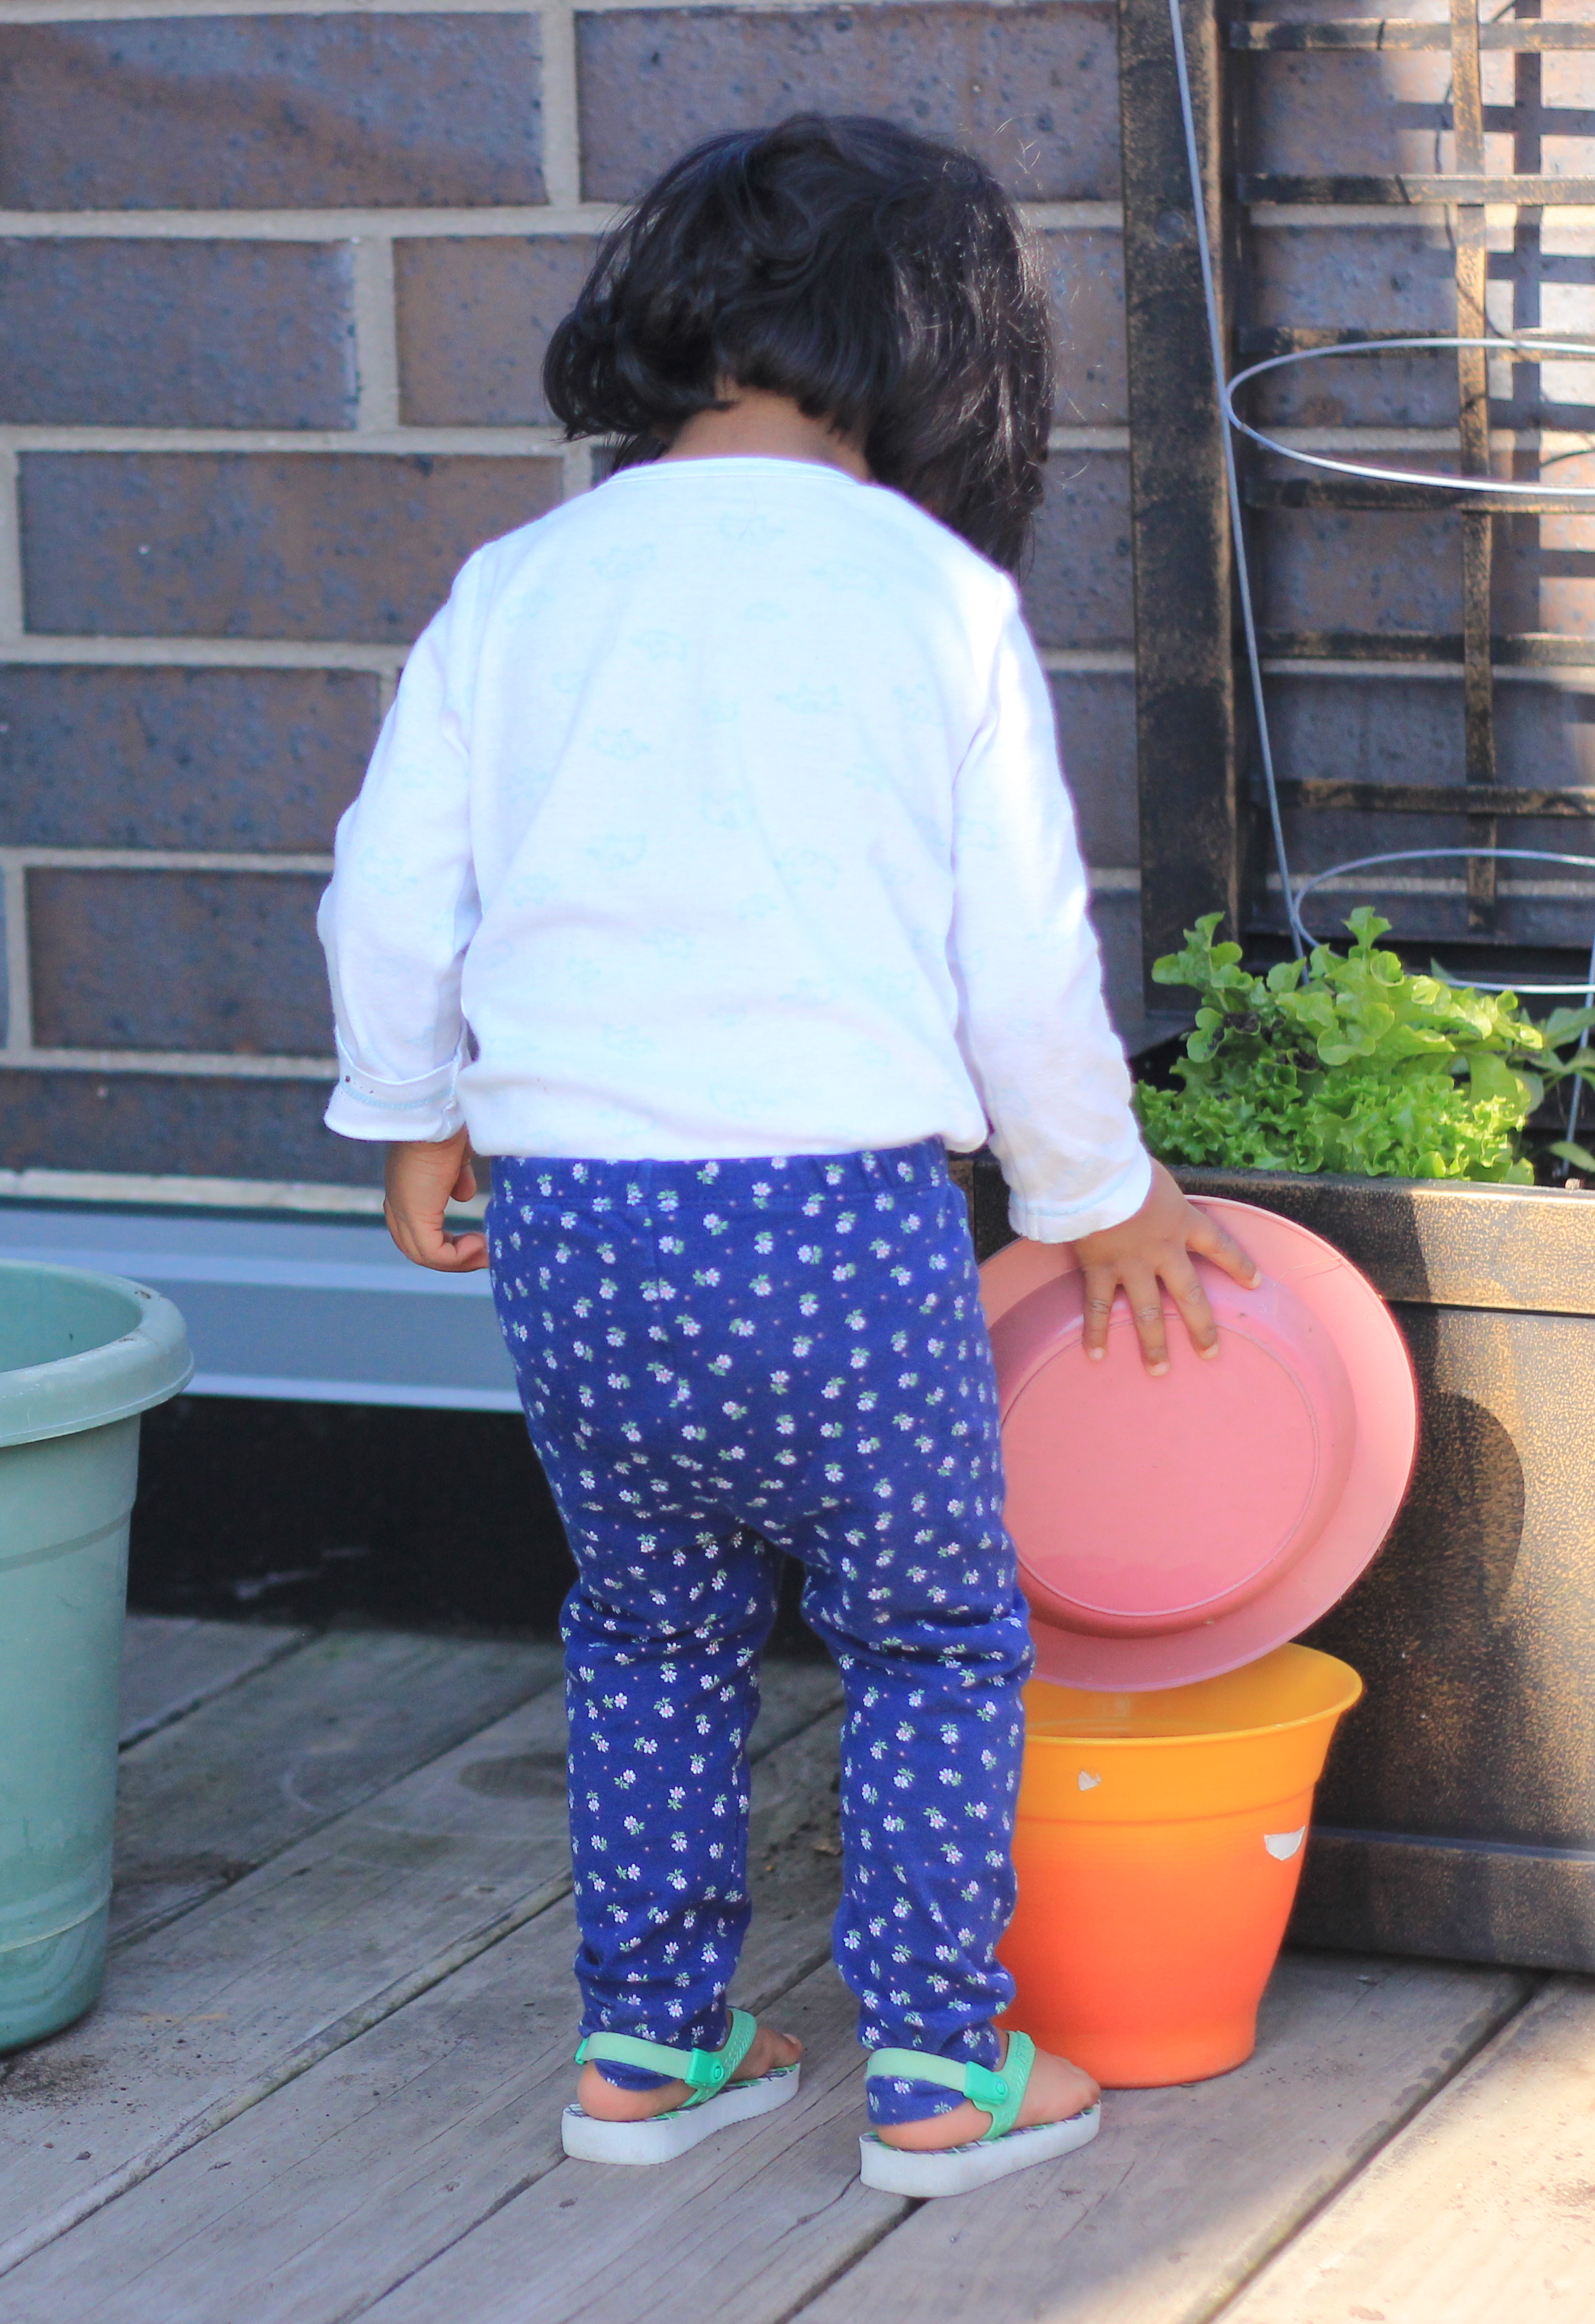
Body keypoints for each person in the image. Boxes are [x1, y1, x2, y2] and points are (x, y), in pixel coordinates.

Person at [314, 113, 1257, 2198]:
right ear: (947, 361)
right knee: (931, 1636)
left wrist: (410, 1106)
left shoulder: (524, 581)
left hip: (573, 1223)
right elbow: (1021, 959)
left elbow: (392, 888)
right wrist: (1099, 1195)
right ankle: (936, 2063)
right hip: (835, 1217)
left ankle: (651, 2047)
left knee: (647, 1625)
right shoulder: (933, 595)